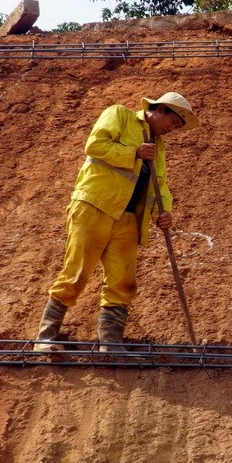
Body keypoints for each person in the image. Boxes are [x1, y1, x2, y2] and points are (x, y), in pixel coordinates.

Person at [33, 92, 199, 350]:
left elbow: (160, 184)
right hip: (95, 205)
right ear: (163, 109)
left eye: (177, 127)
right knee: (76, 273)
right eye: (174, 123)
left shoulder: (159, 146)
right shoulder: (120, 115)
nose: (172, 129)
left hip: (130, 217)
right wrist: (133, 152)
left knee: (123, 280)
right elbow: (95, 145)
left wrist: (164, 212)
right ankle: (45, 338)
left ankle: (110, 343)